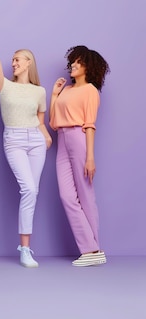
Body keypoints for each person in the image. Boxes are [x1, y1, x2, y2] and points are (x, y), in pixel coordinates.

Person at [50, 45, 109, 267]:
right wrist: (54, 95)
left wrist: (90, 157)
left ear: (88, 66)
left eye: (78, 62)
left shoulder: (90, 91)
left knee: (85, 194)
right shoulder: (66, 90)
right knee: (67, 196)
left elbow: (90, 125)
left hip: (79, 138)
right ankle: (93, 249)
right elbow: (54, 123)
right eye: (72, 62)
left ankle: (92, 249)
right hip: (62, 141)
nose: (73, 65)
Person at [0, 48, 52, 267]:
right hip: (14, 139)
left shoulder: (40, 91)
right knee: (29, 189)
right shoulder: (5, 86)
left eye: (17, 59)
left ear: (28, 62)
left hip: (36, 141)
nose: (13, 63)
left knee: (32, 192)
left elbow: (40, 119)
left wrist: (45, 137)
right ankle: (24, 249)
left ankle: (26, 249)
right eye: (13, 60)